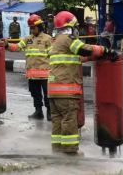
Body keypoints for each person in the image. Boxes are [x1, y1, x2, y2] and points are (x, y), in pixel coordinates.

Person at [49, 11, 118, 155]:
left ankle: (57, 150)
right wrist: (104, 50)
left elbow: (77, 58)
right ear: (70, 26)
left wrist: (93, 57)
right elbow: (83, 49)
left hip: (54, 90)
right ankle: (70, 151)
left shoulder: (56, 42)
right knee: (69, 119)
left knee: (57, 120)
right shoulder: (67, 38)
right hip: (66, 90)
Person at [6, 14, 52, 121]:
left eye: (33, 27)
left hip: (46, 74)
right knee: (35, 94)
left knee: (48, 95)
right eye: (30, 28)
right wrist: (6, 45)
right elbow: (16, 47)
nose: (32, 30)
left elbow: (53, 54)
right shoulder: (27, 39)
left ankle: (50, 112)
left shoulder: (48, 39)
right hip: (32, 74)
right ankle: (38, 112)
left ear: (39, 26)